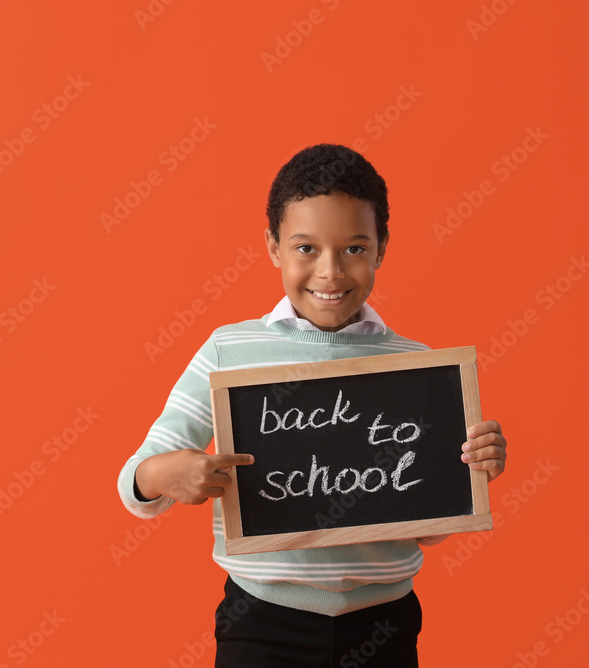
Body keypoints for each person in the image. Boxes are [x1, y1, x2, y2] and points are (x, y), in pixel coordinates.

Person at [116, 144, 507, 667]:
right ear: (274, 247)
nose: (330, 272)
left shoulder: (414, 367)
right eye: (306, 248)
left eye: (354, 249)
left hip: (384, 622)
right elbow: (134, 483)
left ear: (381, 247)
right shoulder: (229, 351)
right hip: (262, 620)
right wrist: (167, 472)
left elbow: (423, 524)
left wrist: (469, 474)